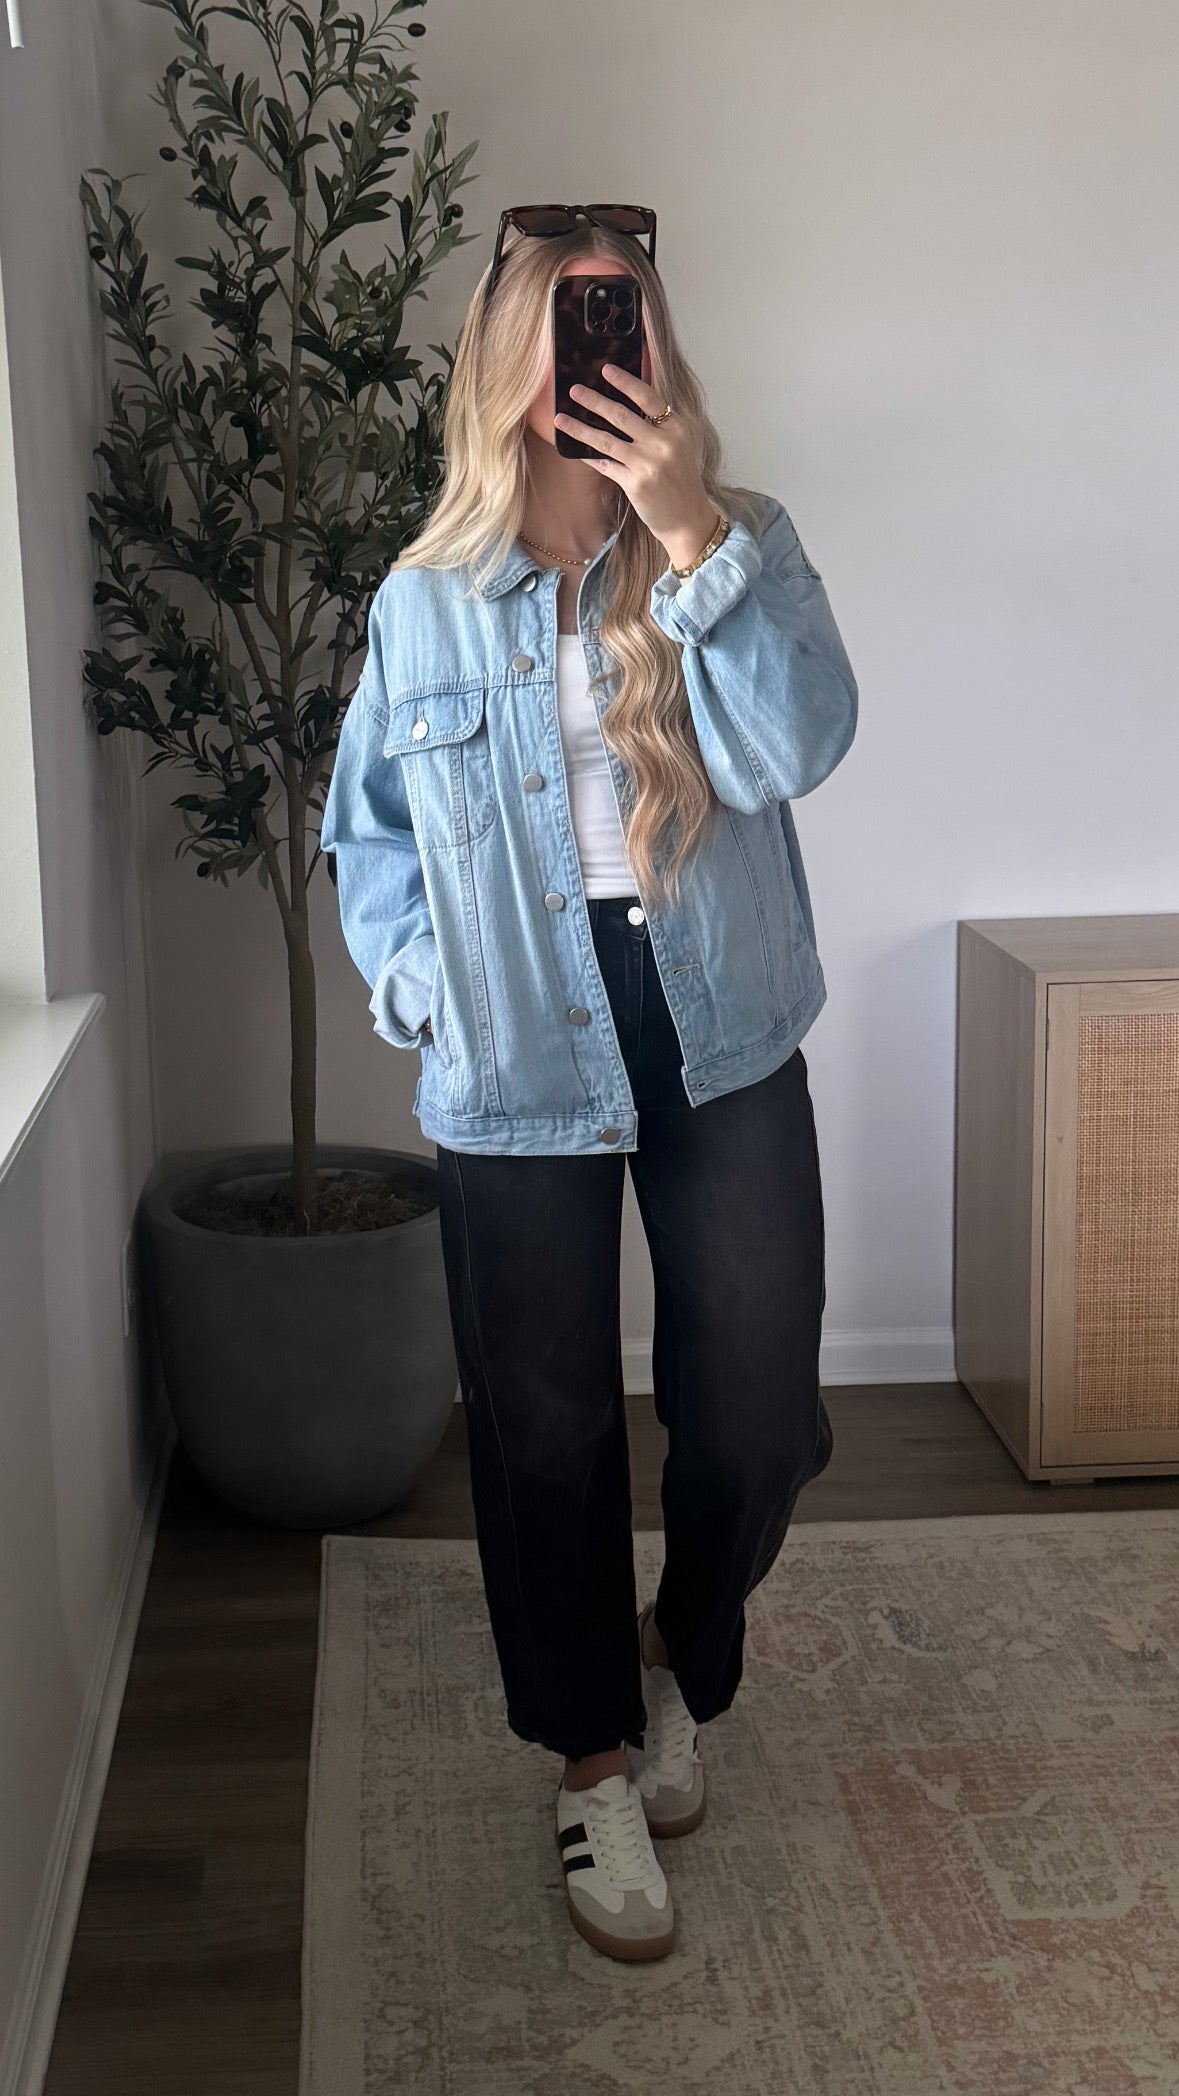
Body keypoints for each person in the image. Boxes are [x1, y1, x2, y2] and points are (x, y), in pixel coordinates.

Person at [319, 205, 858, 1963]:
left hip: (721, 1017)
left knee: (759, 1406)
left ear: (656, 342)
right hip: (517, 1035)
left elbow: (799, 748)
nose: (596, 353)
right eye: (565, 322)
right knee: (543, 1425)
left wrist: (690, 531)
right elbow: (369, 840)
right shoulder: (423, 600)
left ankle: (679, 1649)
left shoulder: (740, 539)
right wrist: (427, 996)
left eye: (620, 319)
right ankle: (592, 1753)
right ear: (508, 357)